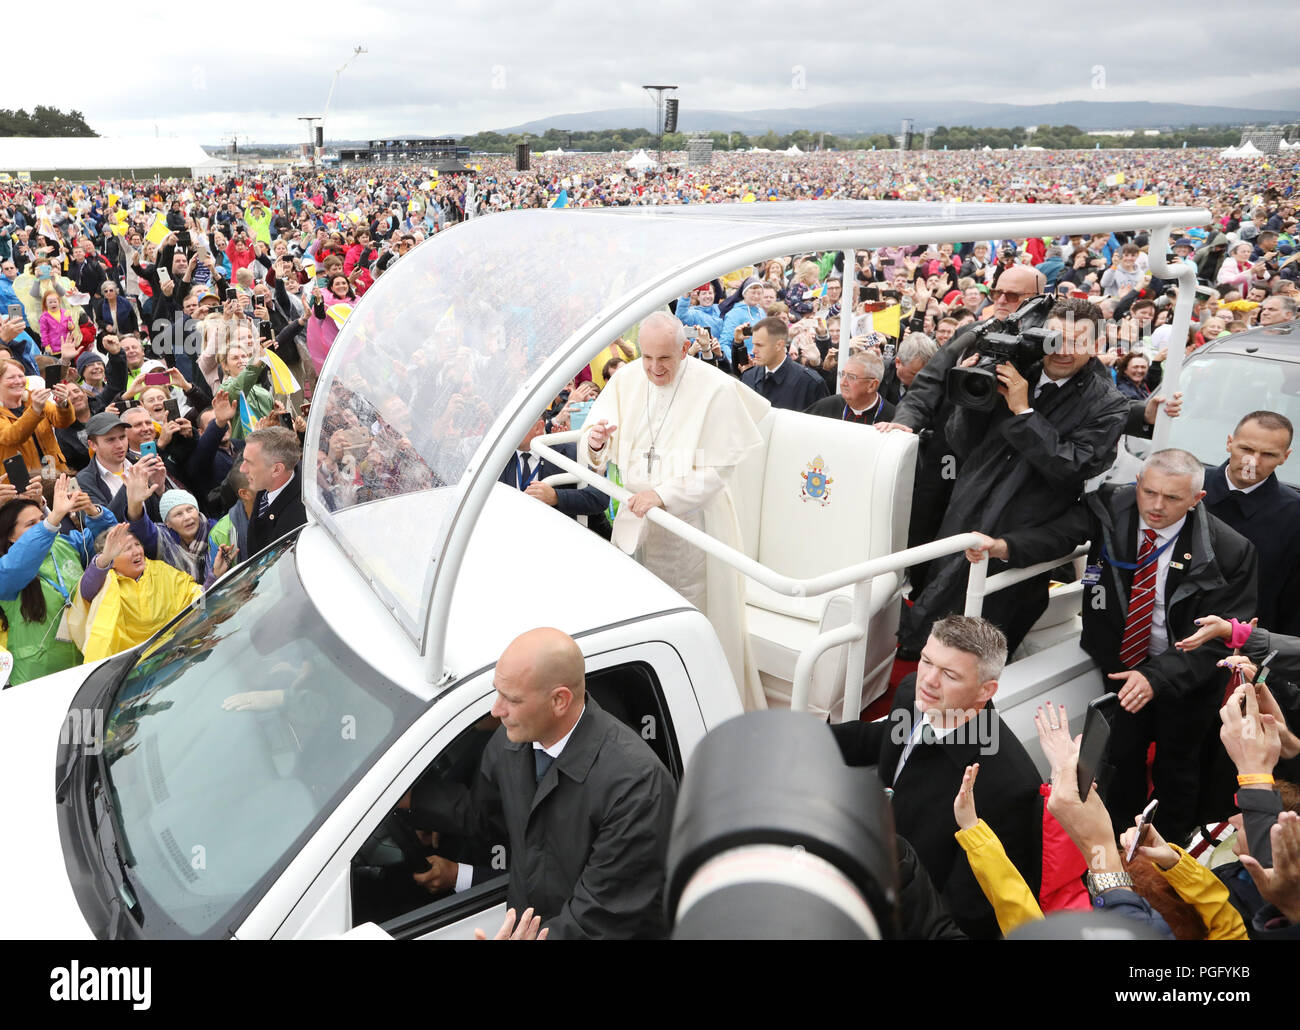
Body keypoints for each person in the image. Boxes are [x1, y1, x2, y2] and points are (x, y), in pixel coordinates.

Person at [967, 449, 1258, 841]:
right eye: (1149, 492)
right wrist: (1004, 547)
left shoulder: (1231, 552)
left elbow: (1217, 641)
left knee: (1178, 765)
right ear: (1137, 485)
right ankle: (1118, 839)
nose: (1155, 506)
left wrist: (1156, 676)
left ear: (1196, 500)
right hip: (1120, 665)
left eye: (1172, 498)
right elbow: (1061, 534)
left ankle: (1167, 854)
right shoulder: (1110, 506)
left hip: (1186, 677)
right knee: (1119, 759)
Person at [403, 627, 677, 939]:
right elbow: (486, 816)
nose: (496, 710)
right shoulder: (510, 744)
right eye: (498, 692)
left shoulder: (636, 788)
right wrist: (414, 801)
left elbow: (602, 918)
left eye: (512, 699)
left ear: (560, 701)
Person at [900, 298, 1130, 655]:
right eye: (1055, 338)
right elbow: (962, 442)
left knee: (984, 640)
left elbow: (1073, 467)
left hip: (1022, 532)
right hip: (968, 510)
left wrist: (1024, 412)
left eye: (1077, 341)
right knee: (933, 613)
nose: (1063, 350)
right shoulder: (1015, 365)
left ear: (1097, 346)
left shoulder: (1108, 404)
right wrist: (972, 392)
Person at [580, 311, 770, 709]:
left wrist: (664, 495)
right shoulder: (627, 378)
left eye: (664, 358)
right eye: (647, 357)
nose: (653, 368)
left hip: (692, 523)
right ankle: (646, 698)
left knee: (689, 612)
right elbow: (595, 448)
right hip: (637, 518)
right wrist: (596, 444)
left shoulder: (713, 388)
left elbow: (719, 470)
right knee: (637, 608)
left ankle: (693, 703)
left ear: (685, 349)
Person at [829, 615, 1042, 939]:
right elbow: (878, 740)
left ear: (987, 689)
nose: (928, 680)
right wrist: (800, 736)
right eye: (927, 661)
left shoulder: (1008, 787)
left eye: (949, 675)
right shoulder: (912, 696)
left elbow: (964, 914)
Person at [0, 475, 115, 685]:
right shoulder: (6, 567)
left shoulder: (64, 544)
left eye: (40, 520)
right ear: (11, 536)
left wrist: (92, 511)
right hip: (38, 677)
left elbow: (109, 543)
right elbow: (21, 561)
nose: (41, 525)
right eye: (30, 524)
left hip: (83, 662)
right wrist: (54, 519)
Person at [1203, 411, 1300, 636]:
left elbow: (1294, 600)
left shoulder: (1294, 515)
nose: (1253, 462)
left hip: (1242, 649)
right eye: (1246, 449)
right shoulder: (1187, 485)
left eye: (1267, 454)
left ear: (1285, 457)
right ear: (1230, 442)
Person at [69, 521, 204, 664]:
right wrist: (104, 559)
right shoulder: (104, 583)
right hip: (134, 668)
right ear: (111, 561)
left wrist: (213, 577)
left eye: (137, 544)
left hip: (179, 649)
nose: (137, 551)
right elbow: (87, 590)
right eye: (127, 549)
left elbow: (194, 594)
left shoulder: (159, 569)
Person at [499, 416, 607, 527]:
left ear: (538, 427)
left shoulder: (568, 452)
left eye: (514, 425)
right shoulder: (498, 459)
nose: (508, 431)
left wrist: (556, 497)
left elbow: (600, 497)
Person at [0, 360, 76, 475]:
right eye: (11, 378)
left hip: (54, 473)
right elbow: (12, 436)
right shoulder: (35, 403)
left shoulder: (33, 397)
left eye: (21, 376)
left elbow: (62, 422)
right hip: (23, 483)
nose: (19, 381)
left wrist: (63, 404)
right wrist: (35, 410)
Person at [241, 425, 306, 559]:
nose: (242, 469)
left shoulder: (295, 523)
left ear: (276, 470)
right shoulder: (267, 483)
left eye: (249, 462)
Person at [739, 317, 828, 411]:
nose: (754, 350)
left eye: (760, 345)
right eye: (754, 344)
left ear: (779, 345)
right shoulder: (748, 377)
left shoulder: (809, 382)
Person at [804, 350, 895, 425]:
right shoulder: (826, 406)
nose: (843, 382)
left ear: (872, 385)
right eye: (843, 374)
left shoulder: (892, 418)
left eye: (851, 377)